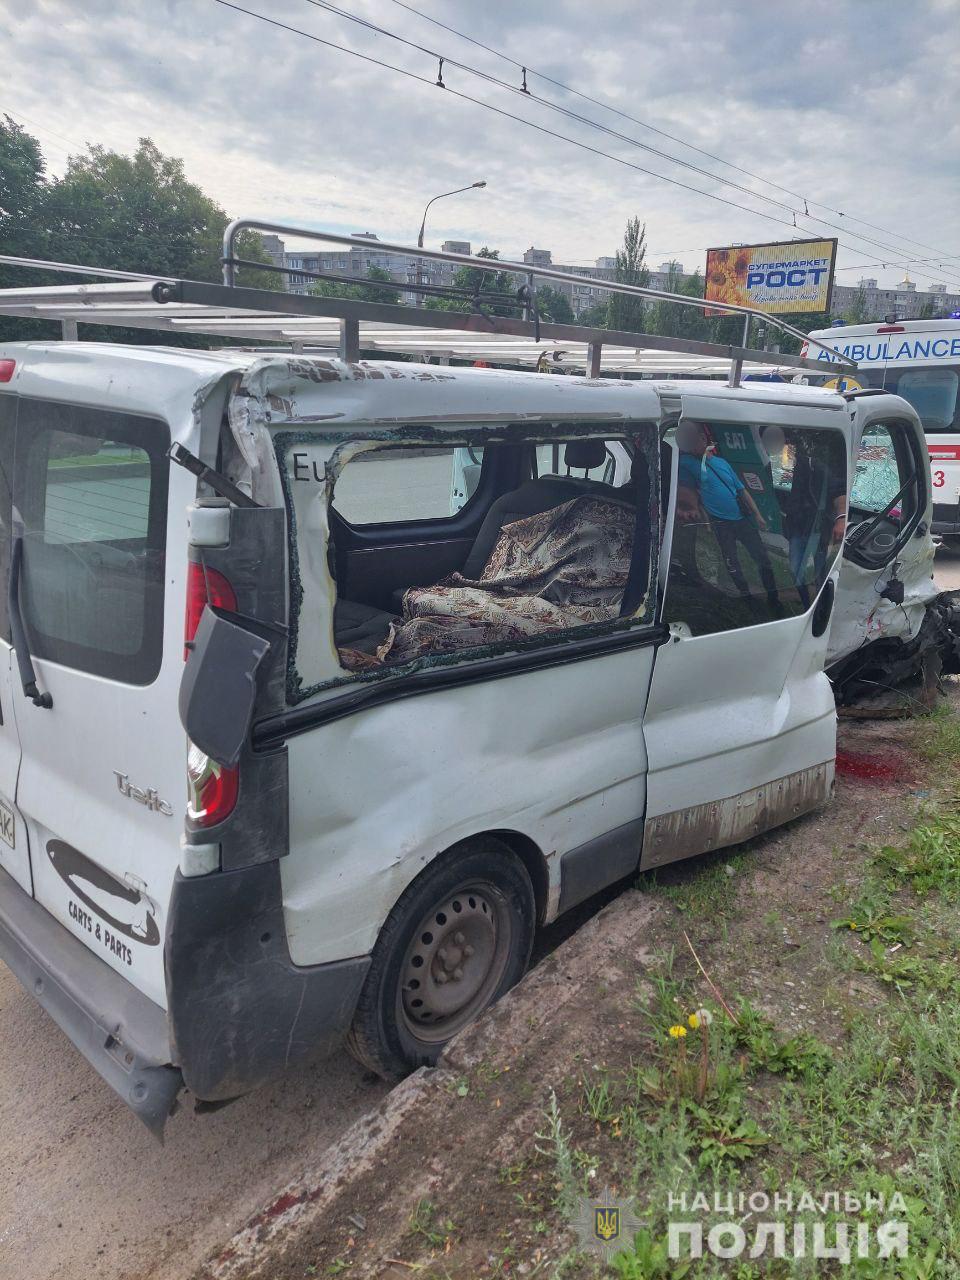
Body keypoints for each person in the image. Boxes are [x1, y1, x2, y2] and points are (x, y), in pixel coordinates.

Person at [676, 421, 780, 611]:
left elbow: (742, 491)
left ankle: (774, 599)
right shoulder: (686, 463)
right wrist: (703, 518)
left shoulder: (722, 463)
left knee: (762, 558)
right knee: (732, 562)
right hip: (720, 523)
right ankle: (746, 597)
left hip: (741, 520)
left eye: (695, 438)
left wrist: (758, 515)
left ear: (703, 438)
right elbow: (687, 493)